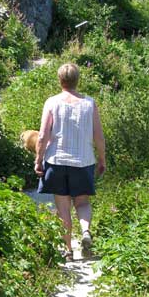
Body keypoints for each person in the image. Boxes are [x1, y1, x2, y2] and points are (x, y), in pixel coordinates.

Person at [34, 63, 106, 261]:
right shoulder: (90, 104)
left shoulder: (52, 102)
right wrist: (102, 159)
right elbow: (99, 136)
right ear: (77, 79)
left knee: (63, 208)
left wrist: (38, 160)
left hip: (56, 161)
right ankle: (85, 231)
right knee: (82, 203)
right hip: (83, 161)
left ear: (60, 80)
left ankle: (68, 250)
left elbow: (42, 136)